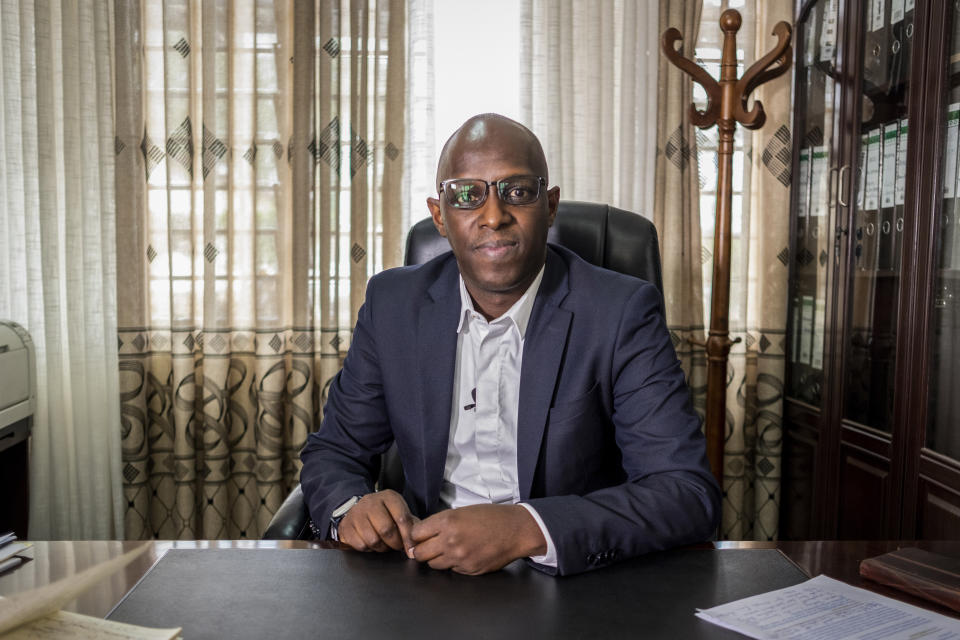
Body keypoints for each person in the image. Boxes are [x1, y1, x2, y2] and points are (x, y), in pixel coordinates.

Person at [299, 113, 720, 576]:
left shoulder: (620, 313)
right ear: (439, 216)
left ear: (551, 206)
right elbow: (335, 452)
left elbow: (685, 492)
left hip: (570, 585)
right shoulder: (394, 305)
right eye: (466, 195)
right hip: (426, 575)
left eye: (518, 192)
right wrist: (349, 509)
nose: (494, 216)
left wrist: (525, 528)